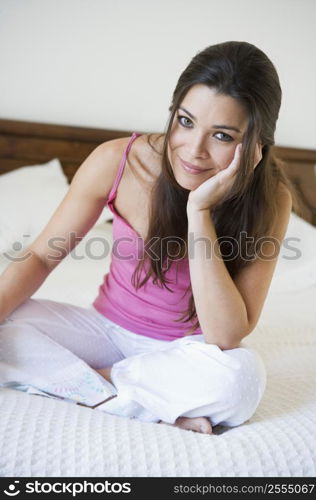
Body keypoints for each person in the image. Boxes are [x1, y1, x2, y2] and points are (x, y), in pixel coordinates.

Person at [0, 41, 296, 435]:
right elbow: (40, 256)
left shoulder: (272, 197)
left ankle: (83, 382)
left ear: (257, 142)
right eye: (186, 122)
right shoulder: (118, 161)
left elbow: (225, 336)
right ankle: (123, 395)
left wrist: (200, 212)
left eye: (222, 136)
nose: (194, 150)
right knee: (8, 315)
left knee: (242, 377)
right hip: (103, 332)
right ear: (173, 112)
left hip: (186, 352)